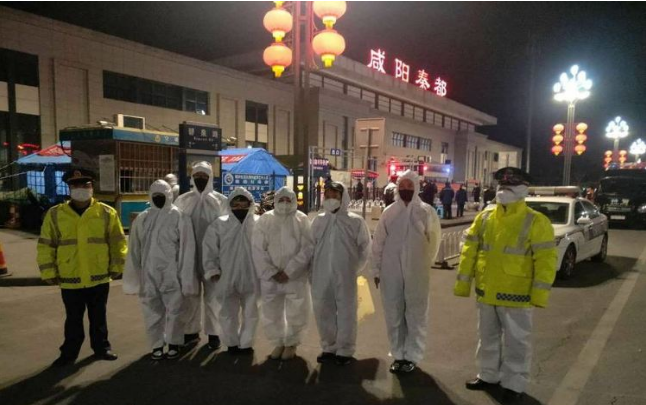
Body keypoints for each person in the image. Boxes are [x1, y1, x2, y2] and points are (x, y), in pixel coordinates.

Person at [454, 167, 557, 401]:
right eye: (502, 185)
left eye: (510, 186)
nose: (504, 189)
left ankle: (514, 384)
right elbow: (469, 250)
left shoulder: (536, 221)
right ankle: (488, 375)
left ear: (523, 190)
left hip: (517, 295)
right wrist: (463, 284)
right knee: (487, 337)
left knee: (517, 342)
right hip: (486, 291)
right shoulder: (485, 217)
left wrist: (539, 294)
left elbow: (546, 260)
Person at [37, 168, 127, 366]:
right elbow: (46, 245)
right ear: (69, 188)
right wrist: (48, 271)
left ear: (92, 187)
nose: (81, 188)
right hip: (70, 277)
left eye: (85, 184)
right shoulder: (55, 214)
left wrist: (117, 266)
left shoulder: (106, 212)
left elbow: (118, 242)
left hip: (99, 275)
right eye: (76, 185)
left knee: (99, 317)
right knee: (73, 319)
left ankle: (102, 348)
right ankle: (69, 353)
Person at [372, 170, 442, 374]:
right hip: (390, 271)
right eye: (402, 186)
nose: (405, 189)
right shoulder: (389, 212)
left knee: (416, 314)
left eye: (409, 186)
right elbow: (378, 243)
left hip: (416, 271)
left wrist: (424, 264)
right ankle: (398, 355)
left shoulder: (426, 212)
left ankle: (412, 356)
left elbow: (434, 240)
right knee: (393, 313)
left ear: (416, 187)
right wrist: (376, 269)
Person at [123, 180, 198, 360]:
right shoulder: (142, 219)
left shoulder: (179, 217)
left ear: (169, 195)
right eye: (155, 196)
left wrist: (186, 277)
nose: (158, 199)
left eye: (162, 195)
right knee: (151, 311)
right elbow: (134, 249)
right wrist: (134, 278)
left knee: (175, 311)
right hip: (149, 274)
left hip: (172, 273)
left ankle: (173, 343)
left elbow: (187, 249)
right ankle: (156, 344)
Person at [311, 181, 371, 365]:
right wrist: (312, 272)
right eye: (328, 195)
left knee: (346, 312)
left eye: (335, 195)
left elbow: (365, 247)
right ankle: (328, 347)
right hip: (321, 275)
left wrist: (353, 268)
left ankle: (345, 350)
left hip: (345, 274)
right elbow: (310, 247)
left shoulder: (355, 221)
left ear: (342, 197)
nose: (331, 199)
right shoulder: (318, 221)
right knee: (323, 310)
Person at [252, 187, 314, 361]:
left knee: (297, 310)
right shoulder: (265, 219)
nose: (285, 203)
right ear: (275, 200)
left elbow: (307, 248)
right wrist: (271, 271)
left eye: (288, 200)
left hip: (295, 277)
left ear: (294, 201)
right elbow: (258, 248)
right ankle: (278, 342)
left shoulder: (301, 219)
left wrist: (290, 270)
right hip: (271, 278)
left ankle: (292, 343)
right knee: (272, 311)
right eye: (281, 199)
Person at [174, 161, 227, 349]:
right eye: (197, 176)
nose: (200, 179)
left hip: (213, 258)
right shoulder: (183, 201)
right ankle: (191, 332)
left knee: (213, 297)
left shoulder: (221, 201)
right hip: (189, 256)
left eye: (204, 176)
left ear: (211, 177)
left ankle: (214, 334)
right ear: (192, 177)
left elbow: (227, 231)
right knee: (190, 295)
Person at [202, 187, 260, 355]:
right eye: (236, 204)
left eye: (243, 203)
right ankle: (231, 343)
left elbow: (267, 248)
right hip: (226, 276)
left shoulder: (259, 223)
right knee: (227, 312)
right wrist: (212, 270)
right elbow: (209, 249)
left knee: (251, 313)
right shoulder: (220, 224)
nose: (239, 207)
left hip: (252, 276)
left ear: (250, 204)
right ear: (230, 204)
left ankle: (246, 343)